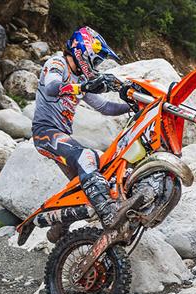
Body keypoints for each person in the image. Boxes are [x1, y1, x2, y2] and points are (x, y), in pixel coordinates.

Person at [32, 26, 138, 242]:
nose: (96, 66)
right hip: (45, 132)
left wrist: (134, 106)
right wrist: (83, 87)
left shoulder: (80, 80)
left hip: (62, 136)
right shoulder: (57, 63)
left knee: (89, 180)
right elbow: (52, 87)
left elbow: (106, 107)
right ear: (83, 51)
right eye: (96, 60)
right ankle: (109, 215)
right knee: (86, 157)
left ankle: (58, 232)